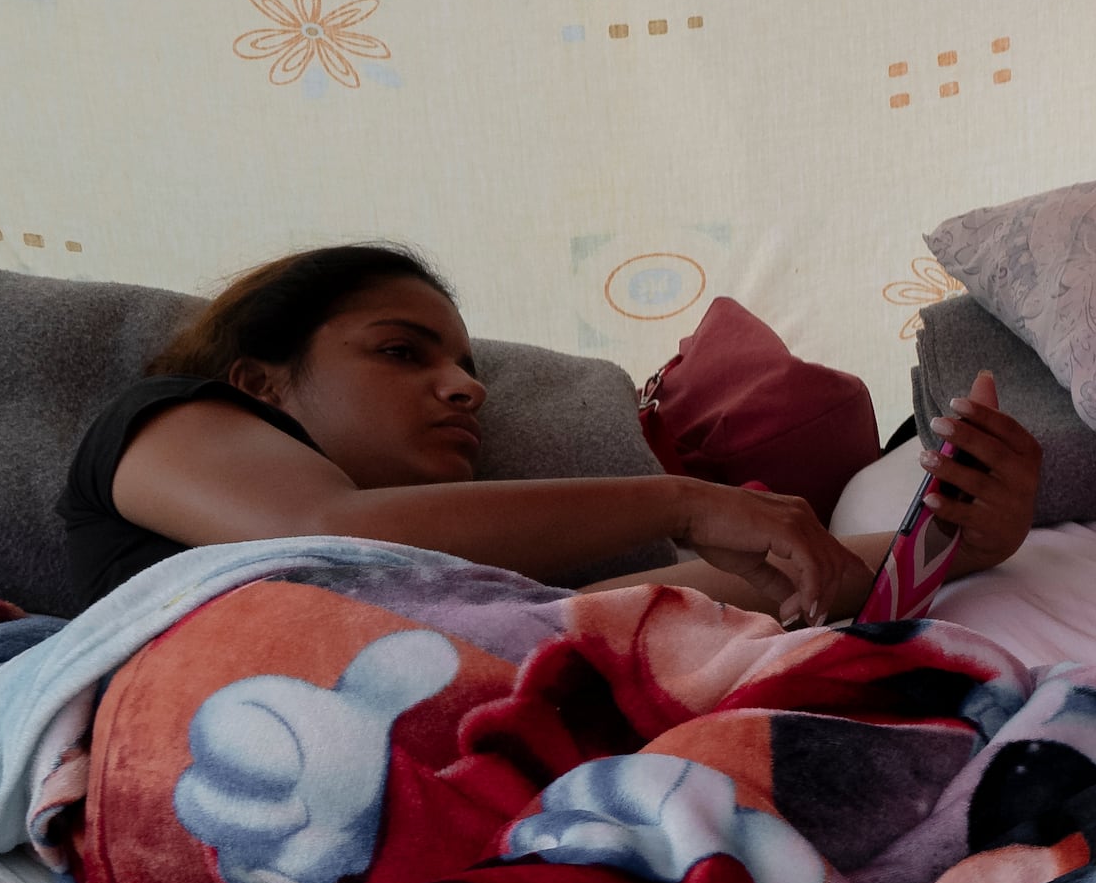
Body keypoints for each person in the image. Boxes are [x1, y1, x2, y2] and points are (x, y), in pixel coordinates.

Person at [68, 245, 1035, 623]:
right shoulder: (159, 422)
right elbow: (325, 521)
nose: (462, 391)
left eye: (469, 371)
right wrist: (685, 502)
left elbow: (608, 611)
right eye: (404, 354)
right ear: (260, 379)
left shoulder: (451, 585)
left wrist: (954, 541)